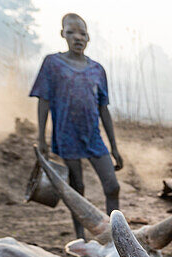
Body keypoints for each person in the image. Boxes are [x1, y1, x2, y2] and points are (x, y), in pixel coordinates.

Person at [30, 12, 122, 239]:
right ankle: (80, 238)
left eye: (82, 33)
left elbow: (103, 109)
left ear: (88, 37)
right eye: (71, 32)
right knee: (77, 188)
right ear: (63, 35)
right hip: (66, 135)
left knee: (112, 186)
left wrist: (114, 147)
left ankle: (116, 238)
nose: (77, 37)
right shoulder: (53, 64)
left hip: (92, 136)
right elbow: (44, 101)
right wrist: (42, 138)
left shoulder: (97, 70)